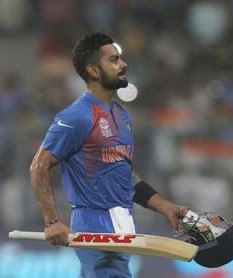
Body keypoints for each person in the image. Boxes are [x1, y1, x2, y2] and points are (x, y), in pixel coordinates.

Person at [29, 32, 186, 278]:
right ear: (93, 70)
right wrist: (52, 221)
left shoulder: (122, 115)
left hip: (123, 221)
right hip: (95, 223)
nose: (123, 64)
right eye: (113, 60)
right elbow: (39, 165)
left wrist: (166, 207)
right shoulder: (76, 116)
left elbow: (124, 176)